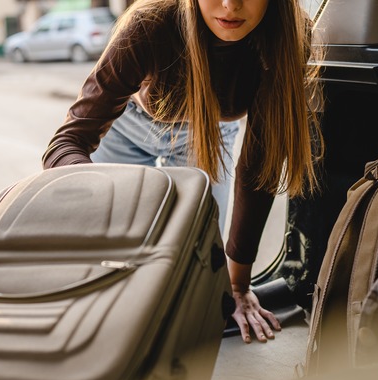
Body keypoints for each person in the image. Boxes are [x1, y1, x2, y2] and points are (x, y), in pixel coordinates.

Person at [42, 0, 324, 344]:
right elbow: (67, 141)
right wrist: (102, 206)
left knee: (201, 259)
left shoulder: (290, 34)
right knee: (112, 251)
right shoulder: (149, 25)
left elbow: (259, 165)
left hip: (209, 130)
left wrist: (237, 287)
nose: (230, 5)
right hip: (127, 125)